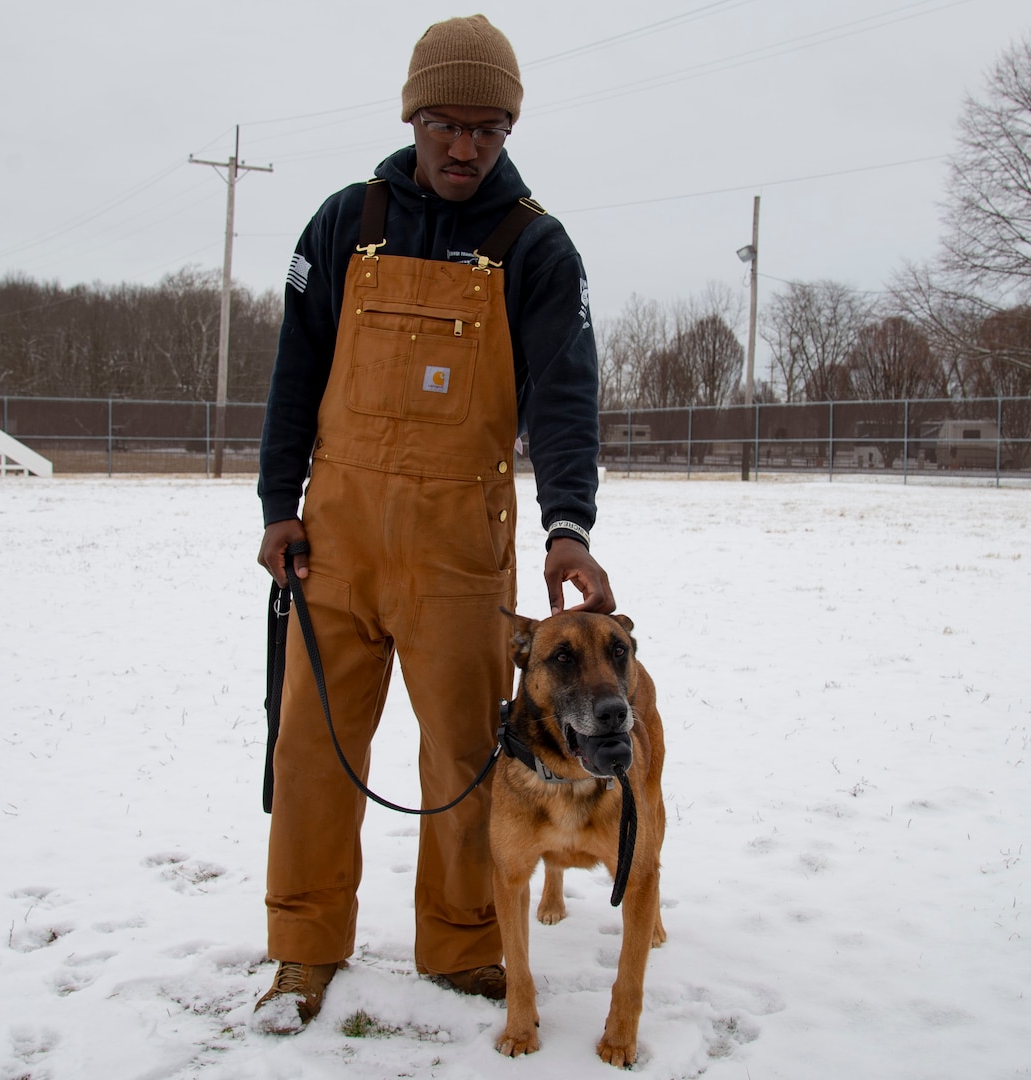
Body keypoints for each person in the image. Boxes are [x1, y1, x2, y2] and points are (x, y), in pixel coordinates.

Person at [251, 13, 614, 1034]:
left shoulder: (535, 247)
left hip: (460, 555)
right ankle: (302, 949)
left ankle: (460, 946)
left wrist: (568, 525)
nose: (465, 147)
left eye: (488, 128)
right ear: (413, 115)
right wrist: (279, 507)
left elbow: (564, 394)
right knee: (312, 753)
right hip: (336, 546)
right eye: (447, 124)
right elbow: (293, 376)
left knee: (462, 755)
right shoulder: (343, 223)